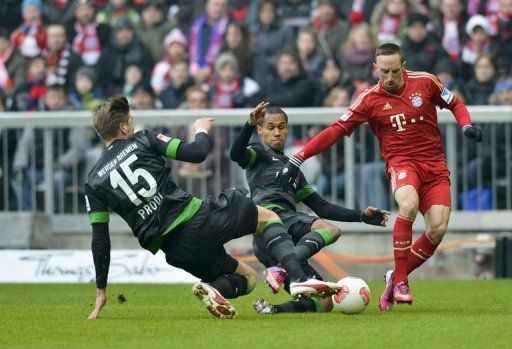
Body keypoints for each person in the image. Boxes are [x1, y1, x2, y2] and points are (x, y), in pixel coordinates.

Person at [85, 96, 340, 320]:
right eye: (130, 120)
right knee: (268, 217)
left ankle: (215, 289)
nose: (133, 125)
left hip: (175, 250)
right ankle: (298, 279)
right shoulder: (143, 139)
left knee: (248, 278)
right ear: (123, 126)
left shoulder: (93, 181)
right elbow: (197, 153)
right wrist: (200, 130)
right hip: (197, 218)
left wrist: (101, 290)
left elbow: (100, 239)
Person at [277, 43, 483, 311]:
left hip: (435, 165)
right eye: (384, 71)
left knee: (438, 228)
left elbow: (455, 103)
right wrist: (298, 157)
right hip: (402, 163)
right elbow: (335, 131)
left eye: (394, 71)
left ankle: (394, 276)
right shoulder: (369, 99)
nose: (389, 77)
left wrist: (466, 125)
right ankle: (401, 284)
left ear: (403, 67)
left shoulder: (425, 82)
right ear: (375, 68)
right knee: (407, 205)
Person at [230, 102, 389, 314]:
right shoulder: (258, 154)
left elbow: (321, 206)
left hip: (274, 246)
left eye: (281, 126)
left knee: (324, 303)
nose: (277, 132)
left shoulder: (294, 171)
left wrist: (361, 216)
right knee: (331, 230)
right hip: (272, 219)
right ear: (260, 131)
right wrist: (248, 124)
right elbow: (236, 154)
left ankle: (273, 308)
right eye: (270, 127)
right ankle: (287, 267)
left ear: (287, 129)